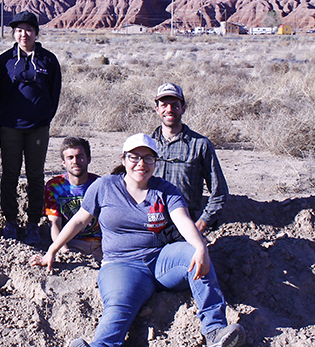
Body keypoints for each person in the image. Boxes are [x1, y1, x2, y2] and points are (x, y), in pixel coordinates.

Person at [33, 134, 245, 347]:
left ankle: (215, 331)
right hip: (120, 265)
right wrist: (52, 250)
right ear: (123, 160)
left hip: (160, 260)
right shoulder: (105, 186)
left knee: (195, 256)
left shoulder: (165, 190)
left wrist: (200, 247)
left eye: (148, 158)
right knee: (119, 305)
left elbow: (182, 220)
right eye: (134, 157)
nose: (141, 164)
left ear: (155, 162)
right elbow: (78, 220)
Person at [0, 11, 62, 245]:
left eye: (29, 30)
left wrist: (43, 117)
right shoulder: (4, 61)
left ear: (36, 33)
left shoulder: (48, 60)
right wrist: (10, 115)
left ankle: (33, 221)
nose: (24, 34)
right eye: (19, 30)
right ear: (14, 33)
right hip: (10, 127)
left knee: (35, 175)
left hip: (38, 129)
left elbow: (54, 93)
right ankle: (10, 220)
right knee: (10, 175)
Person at [150, 83, 229, 233]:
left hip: (186, 224)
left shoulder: (200, 145)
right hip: (151, 223)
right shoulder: (146, 145)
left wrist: (202, 223)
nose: (169, 110)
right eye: (164, 105)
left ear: (183, 108)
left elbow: (219, 192)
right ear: (157, 109)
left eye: (174, 105)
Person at [43, 137, 102, 260]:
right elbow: (54, 223)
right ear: (63, 162)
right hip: (71, 242)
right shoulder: (54, 186)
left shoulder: (100, 184)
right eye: (70, 158)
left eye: (80, 156)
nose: (75, 161)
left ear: (88, 159)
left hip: (100, 244)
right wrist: (65, 251)